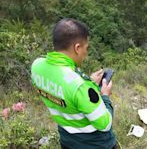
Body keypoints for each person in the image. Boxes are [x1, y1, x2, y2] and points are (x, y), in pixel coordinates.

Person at [31, 18, 116, 149]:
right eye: (86, 48)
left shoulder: (36, 66)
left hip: (67, 141)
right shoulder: (81, 86)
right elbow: (105, 124)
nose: (86, 53)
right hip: (95, 144)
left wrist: (89, 81)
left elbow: (64, 87)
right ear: (77, 47)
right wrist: (105, 96)